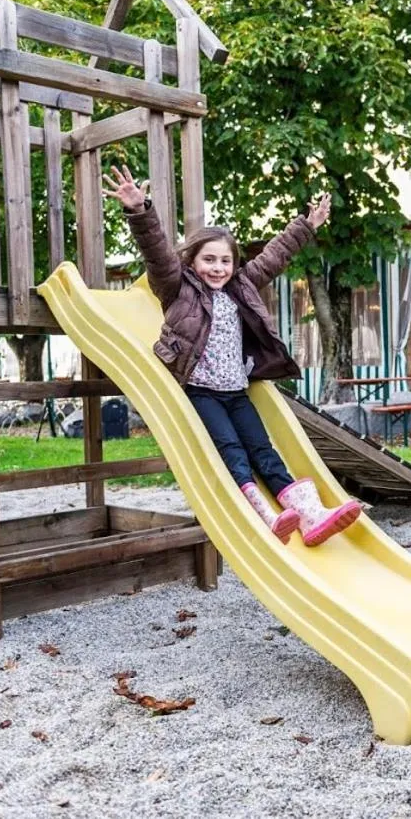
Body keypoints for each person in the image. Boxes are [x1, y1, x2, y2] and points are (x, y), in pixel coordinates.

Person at [101, 165, 362, 547]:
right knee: (232, 450)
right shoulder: (176, 288)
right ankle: (265, 513)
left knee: (263, 449)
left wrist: (307, 226)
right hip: (200, 392)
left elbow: (276, 255)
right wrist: (141, 212)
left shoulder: (240, 286)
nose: (218, 268)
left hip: (236, 391)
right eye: (209, 260)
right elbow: (157, 253)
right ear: (191, 262)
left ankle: (310, 516)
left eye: (225, 261)